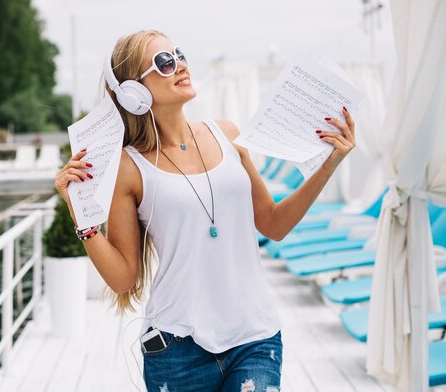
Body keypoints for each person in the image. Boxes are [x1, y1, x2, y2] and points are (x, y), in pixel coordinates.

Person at [54, 30, 356, 392]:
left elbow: (274, 225)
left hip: (254, 338)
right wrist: (82, 217)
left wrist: (329, 163)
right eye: (164, 63)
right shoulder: (129, 168)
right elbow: (123, 279)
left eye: (178, 54)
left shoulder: (227, 135)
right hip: (176, 350)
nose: (180, 64)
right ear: (134, 94)